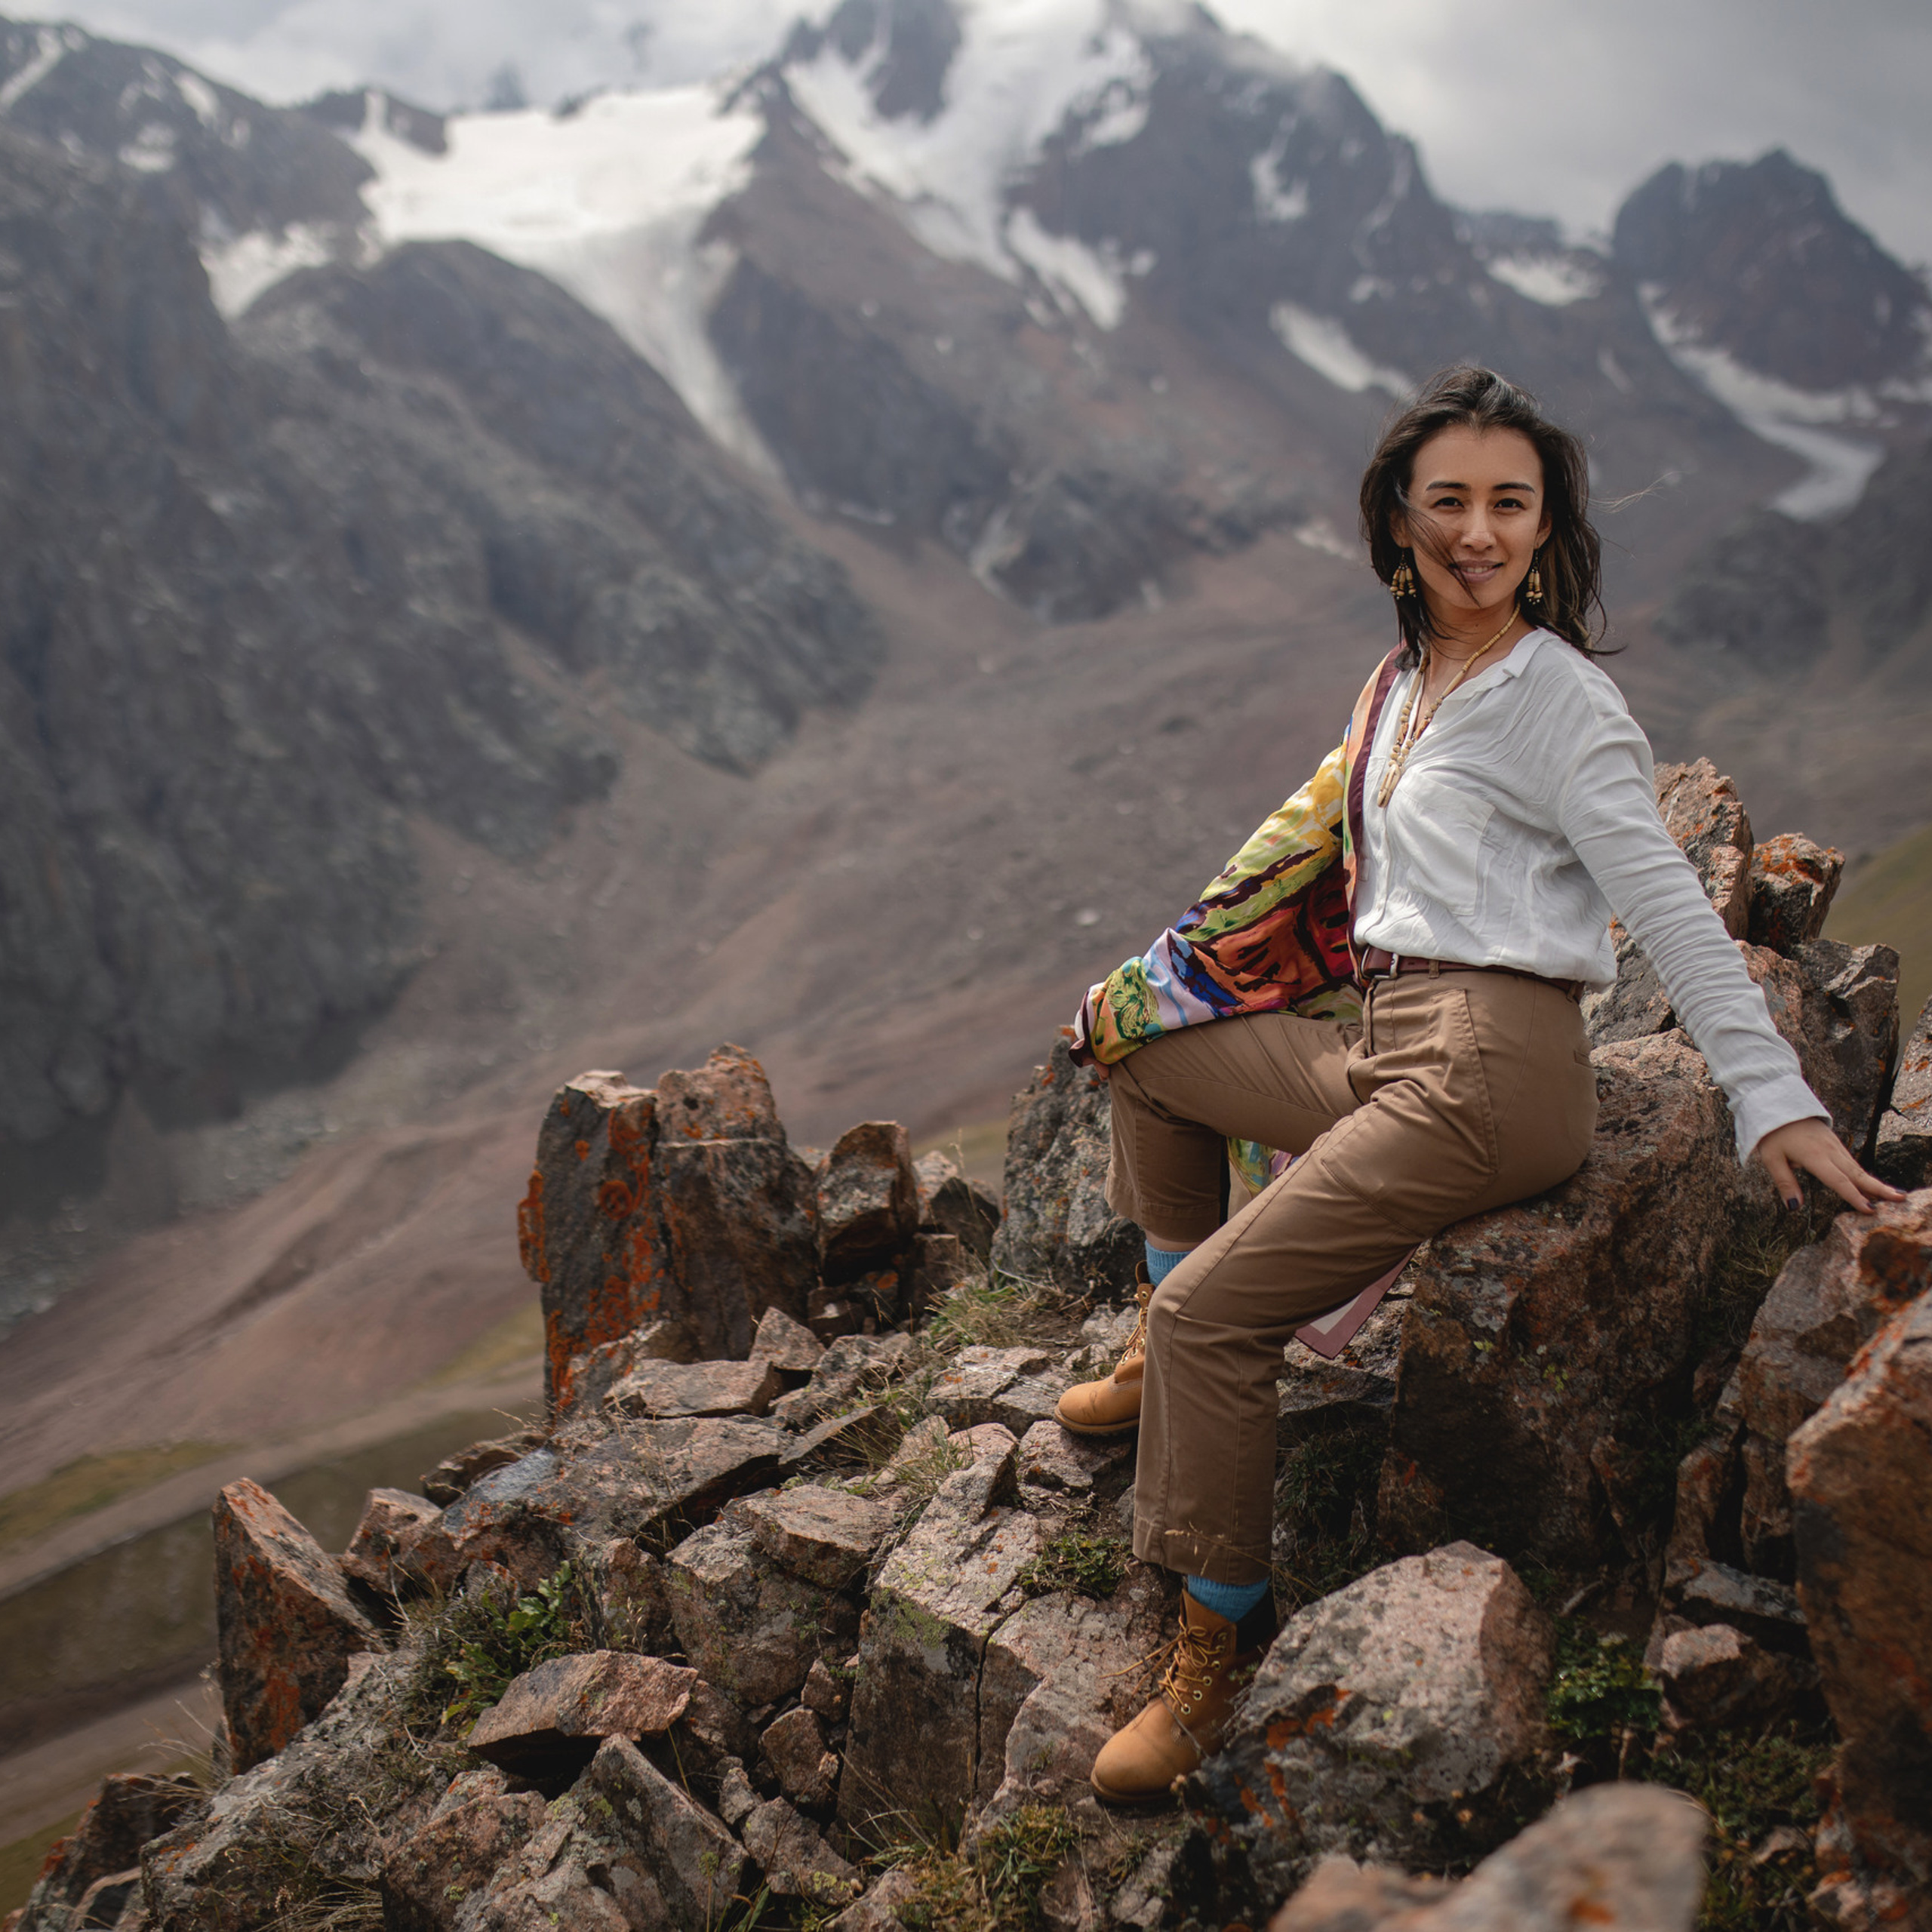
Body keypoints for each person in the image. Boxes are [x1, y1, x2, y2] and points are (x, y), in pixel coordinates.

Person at [1054, 365, 1903, 1808]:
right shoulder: (1398, 686)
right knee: (1147, 1048)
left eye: (1512, 503)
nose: (1479, 531)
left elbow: (1671, 906)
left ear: (1546, 526)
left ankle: (1219, 1643)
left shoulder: (1561, 702)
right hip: (1388, 1043)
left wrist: (1776, 1098)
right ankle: (1168, 1367)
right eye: (1448, 500)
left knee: (1215, 1319)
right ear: (1397, 519)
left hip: (1493, 1074)